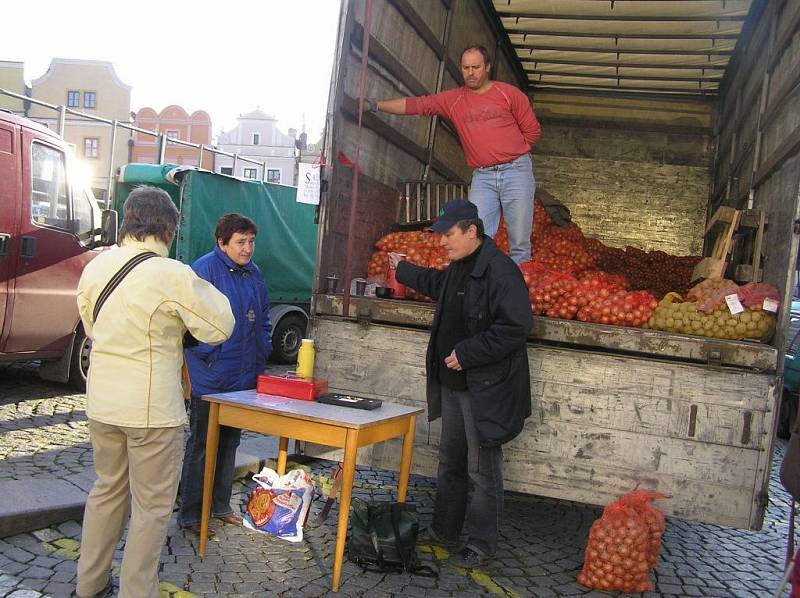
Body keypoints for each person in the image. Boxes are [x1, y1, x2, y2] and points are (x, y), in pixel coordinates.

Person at [75, 187, 235, 598]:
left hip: (103, 403)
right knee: (150, 509)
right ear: (167, 227)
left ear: (128, 222)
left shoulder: (96, 266)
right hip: (151, 411)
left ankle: (89, 585)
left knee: (106, 491)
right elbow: (220, 326)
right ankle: (135, 592)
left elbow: (92, 326)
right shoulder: (171, 273)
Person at [388, 199, 532, 568]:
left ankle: (481, 543)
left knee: (482, 471)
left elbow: (516, 328)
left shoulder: (502, 272)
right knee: (450, 460)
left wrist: (468, 353)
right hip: (452, 384)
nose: (443, 242)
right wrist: (403, 270)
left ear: (472, 231)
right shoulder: (458, 267)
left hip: (484, 388)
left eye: (449, 234)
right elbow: (438, 284)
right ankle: (444, 530)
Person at [366, 44, 541, 264]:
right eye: (466, 67)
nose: (470, 72)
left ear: (487, 67)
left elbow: (532, 132)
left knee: (519, 243)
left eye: (476, 67)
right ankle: (477, 290)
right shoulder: (454, 99)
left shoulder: (509, 94)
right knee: (475, 237)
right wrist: (375, 105)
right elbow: (417, 105)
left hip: (516, 171)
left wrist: (508, 152)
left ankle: (514, 294)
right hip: (483, 177)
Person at [178, 213, 273, 536]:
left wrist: (263, 349)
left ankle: (220, 505)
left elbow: (262, 318)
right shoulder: (204, 270)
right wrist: (208, 355)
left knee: (230, 443)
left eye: (251, 242)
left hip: (243, 378)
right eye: (241, 242)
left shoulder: (254, 273)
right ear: (222, 243)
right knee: (203, 444)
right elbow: (188, 322)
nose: (248, 249)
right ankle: (191, 513)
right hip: (211, 376)